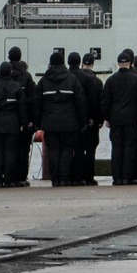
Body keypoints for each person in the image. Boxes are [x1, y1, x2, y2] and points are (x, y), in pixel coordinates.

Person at [103, 51, 137, 185]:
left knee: (116, 148)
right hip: (131, 119)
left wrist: (107, 118)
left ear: (118, 63)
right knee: (129, 148)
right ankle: (127, 177)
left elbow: (105, 101)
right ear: (130, 63)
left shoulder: (111, 80)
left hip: (115, 118)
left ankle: (117, 178)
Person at [35, 50, 87, 187]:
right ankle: (64, 178)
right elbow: (80, 102)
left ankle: (55, 178)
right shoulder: (71, 80)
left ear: (50, 64)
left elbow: (36, 103)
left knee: (53, 150)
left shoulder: (44, 81)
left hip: (50, 123)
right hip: (70, 123)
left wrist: (37, 123)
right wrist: (82, 122)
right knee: (67, 150)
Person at [0, 55, 34, 186]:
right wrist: (23, 123)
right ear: (10, 72)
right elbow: (22, 106)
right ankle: (9, 179)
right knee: (10, 152)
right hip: (12, 122)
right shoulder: (16, 87)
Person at [2, 46, 36, 185]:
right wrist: (32, 120)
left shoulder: (2, 75)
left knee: (7, 150)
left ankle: (6, 177)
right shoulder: (26, 76)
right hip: (23, 120)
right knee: (23, 150)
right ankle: (21, 177)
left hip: (4, 120)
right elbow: (33, 99)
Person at [70, 51, 104, 186]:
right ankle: (89, 176)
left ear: (82, 63)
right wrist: (97, 119)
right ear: (93, 64)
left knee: (77, 149)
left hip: (75, 119)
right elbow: (97, 102)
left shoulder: (71, 77)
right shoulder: (96, 81)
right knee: (90, 150)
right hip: (91, 121)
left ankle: (75, 176)